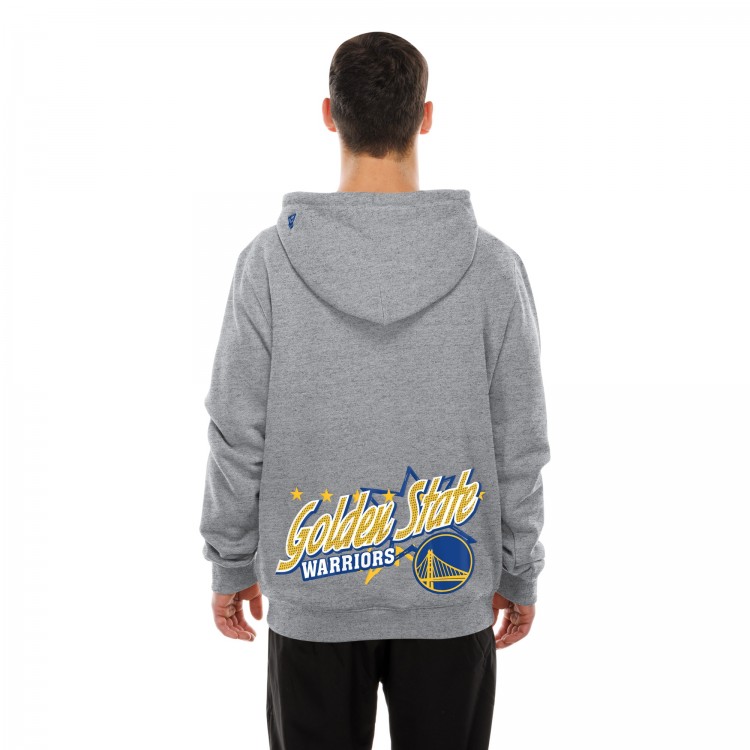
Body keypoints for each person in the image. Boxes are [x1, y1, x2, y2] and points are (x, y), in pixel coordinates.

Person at [199, 31, 551, 750]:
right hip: (449, 588)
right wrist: (520, 569)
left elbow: (236, 430)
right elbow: (520, 439)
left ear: (330, 115)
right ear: (425, 117)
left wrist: (231, 559)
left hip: (312, 587)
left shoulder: (268, 265)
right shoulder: (493, 269)